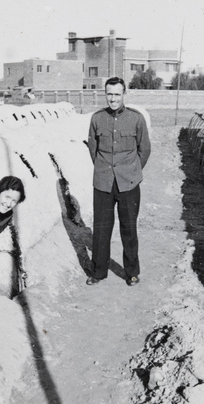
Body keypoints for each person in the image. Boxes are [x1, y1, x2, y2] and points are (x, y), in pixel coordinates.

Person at [85, 77, 151, 286]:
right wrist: (105, 169)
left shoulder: (136, 119)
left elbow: (145, 149)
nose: (113, 99)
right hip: (103, 182)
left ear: (124, 95)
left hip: (128, 183)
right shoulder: (97, 119)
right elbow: (93, 149)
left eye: (117, 94)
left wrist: (131, 171)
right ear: (105, 94)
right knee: (101, 229)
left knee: (129, 228)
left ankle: (131, 272)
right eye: (109, 94)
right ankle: (98, 272)